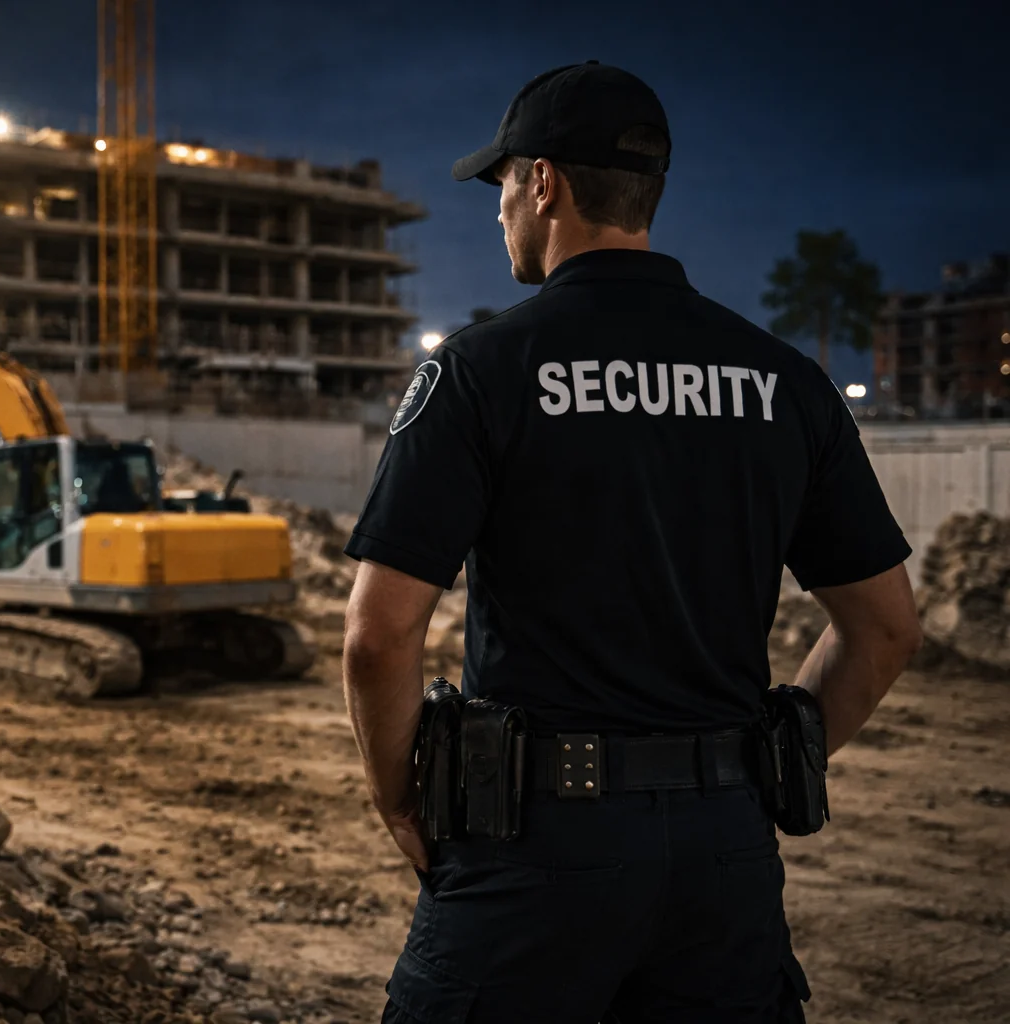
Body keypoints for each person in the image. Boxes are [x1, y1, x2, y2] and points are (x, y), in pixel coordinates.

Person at [342, 61, 923, 1023]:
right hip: (724, 862)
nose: (496, 214)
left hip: (534, 853)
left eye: (500, 188)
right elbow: (888, 629)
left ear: (543, 183)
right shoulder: (786, 384)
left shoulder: (481, 373)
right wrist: (772, 762)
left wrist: (400, 797)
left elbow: (378, 633)